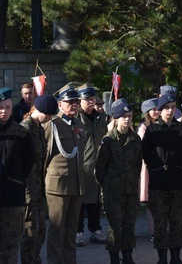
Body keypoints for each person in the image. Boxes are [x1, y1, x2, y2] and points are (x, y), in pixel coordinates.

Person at [142, 92, 182, 264]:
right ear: (160, 110)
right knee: (160, 223)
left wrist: (177, 167)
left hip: (177, 182)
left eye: (172, 108)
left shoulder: (181, 129)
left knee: (177, 222)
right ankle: (162, 257)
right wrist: (157, 169)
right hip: (159, 184)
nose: (170, 112)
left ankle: (176, 256)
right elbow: (146, 154)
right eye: (166, 108)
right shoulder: (152, 130)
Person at [95, 99, 142, 264]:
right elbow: (99, 168)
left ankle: (128, 257)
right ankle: (114, 258)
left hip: (130, 191)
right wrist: (107, 186)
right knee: (115, 227)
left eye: (129, 116)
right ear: (116, 118)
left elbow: (138, 164)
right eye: (123, 116)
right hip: (113, 192)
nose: (127, 119)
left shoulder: (135, 139)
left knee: (129, 225)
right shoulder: (108, 140)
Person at [44, 83, 86, 264]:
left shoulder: (78, 124)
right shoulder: (52, 125)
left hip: (76, 184)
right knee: (57, 229)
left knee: (71, 230)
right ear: (60, 104)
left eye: (76, 101)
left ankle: (70, 261)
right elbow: (43, 157)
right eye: (70, 102)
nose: (74, 105)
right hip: (57, 187)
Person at [20, 95, 58, 264]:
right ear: (38, 110)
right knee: (30, 232)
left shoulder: (40, 129)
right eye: (48, 115)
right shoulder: (24, 130)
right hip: (27, 191)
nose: (49, 118)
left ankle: (35, 259)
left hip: (38, 189)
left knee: (40, 231)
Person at [0, 87, 35, 263]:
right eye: (0, 107)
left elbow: (28, 163)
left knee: (10, 247)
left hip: (12, 199)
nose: (3, 111)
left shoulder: (20, 133)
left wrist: (16, 181)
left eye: (7, 107)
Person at [75, 83, 108, 247]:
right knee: (80, 201)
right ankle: (78, 231)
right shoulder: (76, 119)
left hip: (98, 164)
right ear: (80, 100)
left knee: (96, 200)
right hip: (82, 165)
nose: (90, 101)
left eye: (92, 98)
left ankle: (95, 230)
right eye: (87, 99)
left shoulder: (101, 117)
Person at [137, 98, 159, 242]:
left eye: (158, 108)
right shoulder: (143, 127)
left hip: (160, 166)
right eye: (153, 109)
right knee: (151, 201)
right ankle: (154, 231)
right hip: (148, 167)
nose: (157, 111)